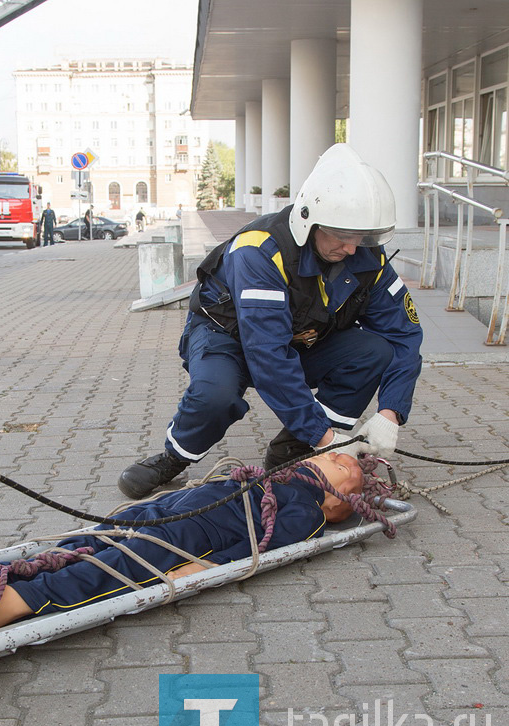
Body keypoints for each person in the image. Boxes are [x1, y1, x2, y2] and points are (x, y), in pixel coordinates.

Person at [117, 144, 423, 500]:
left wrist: (390, 413)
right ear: (310, 221)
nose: (354, 250)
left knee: (373, 351)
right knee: (215, 396)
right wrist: (325, 436)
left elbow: (404, 333)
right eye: (343, 238)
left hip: (300, 339)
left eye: (362, 239)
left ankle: (292, 453)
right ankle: (174, 457)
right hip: (225, 337)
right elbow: (268, 356)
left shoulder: (364, 253)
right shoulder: (260, 251)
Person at [0, 452, 365, 628]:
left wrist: (208, 566)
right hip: (166, 512)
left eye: (344, 468)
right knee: (96, 539)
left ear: (335, 503)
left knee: (116, 566)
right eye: (331, 454)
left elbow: (268, 545)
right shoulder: (271, 477)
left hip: (191, 538)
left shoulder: (307, 511)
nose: (336, 458)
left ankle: (14, 604)